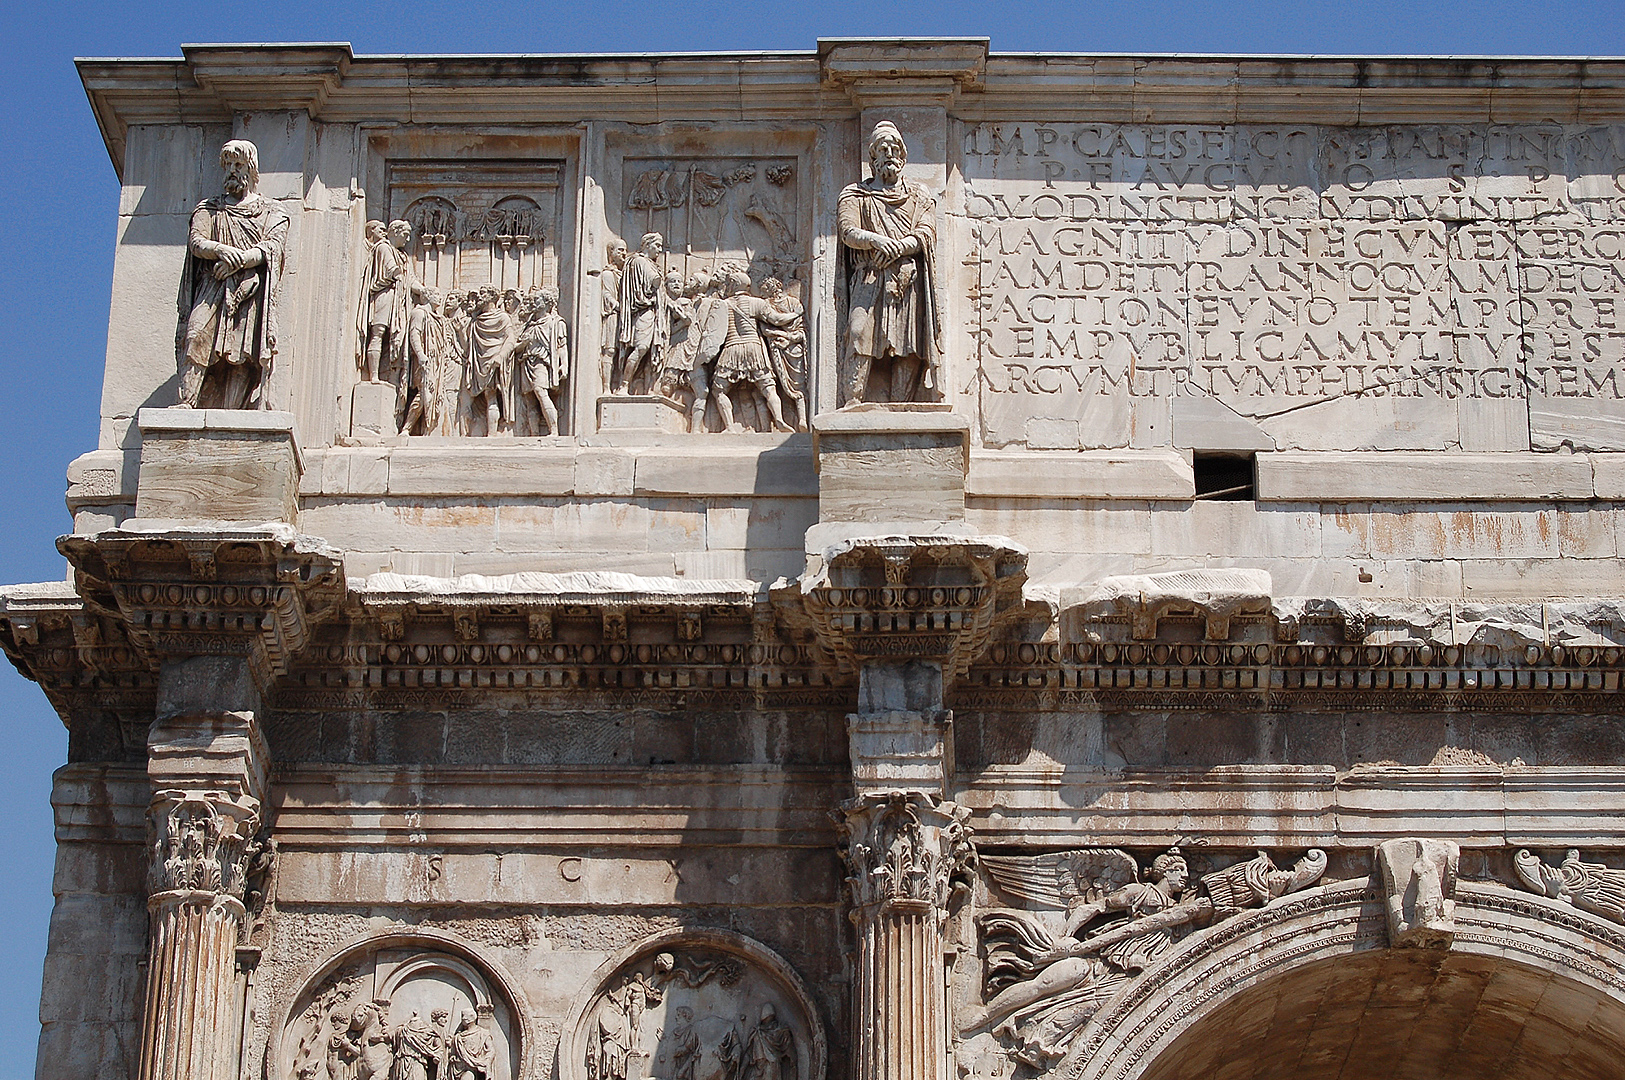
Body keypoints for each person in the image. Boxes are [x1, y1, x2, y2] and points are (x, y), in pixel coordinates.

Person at [176, 139, 289, 410]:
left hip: (248, 290)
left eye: (238, 164)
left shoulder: (272, 210)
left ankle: (231, 411)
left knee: (241, 351)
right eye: (227, 165)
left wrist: (242, 261)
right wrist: (221, 250)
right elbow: (196, 241)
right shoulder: (209, 208)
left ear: (251, 169)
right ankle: (186, 402)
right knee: (195, 334)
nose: (232, 171)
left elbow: (274, 245)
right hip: (213, 285)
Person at [837, 121, 942, 404]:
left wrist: (898, 248)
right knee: (859, 332)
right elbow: (847, 231)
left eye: (895, 148)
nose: (889, 153)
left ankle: (901, 405)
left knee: (908, 344)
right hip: (869, 275)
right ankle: (852, 401)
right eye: (883, 148)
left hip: (906, 277)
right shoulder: (854, 194)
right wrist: (876, 241)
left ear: (903, 156)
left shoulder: (919, 194)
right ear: (872, 157)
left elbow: (926, 231)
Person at [712, 271, 799, 433]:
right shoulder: (756, 303)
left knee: (719, 390)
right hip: (754, 348)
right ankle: (779, 419)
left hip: (732, 348)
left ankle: (729, 426)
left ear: (734, 284)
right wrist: (796, 314)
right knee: (768, 388)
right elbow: (777, 320)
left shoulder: (723, 304)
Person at [612, 233, 667, 394]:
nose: (660, 250)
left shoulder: (648, 263)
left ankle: (648, 388)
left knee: (651, 350)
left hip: (654, 311)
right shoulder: (640, 261)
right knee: (641, 347)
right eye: (657, 246)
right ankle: (624, 385)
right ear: (647, 245)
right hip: (644, 311)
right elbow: (650, 284)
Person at [460, 285, 516, 436]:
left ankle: (491, 434)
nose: (479, 296)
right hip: (479, 362)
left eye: (483, 293)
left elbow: (511, 338)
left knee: (491, 396)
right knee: (485, 396)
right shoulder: (477, 321)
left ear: (492, 296)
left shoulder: (502, 317)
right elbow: (468, 345)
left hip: (494, 360)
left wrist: (501, 356)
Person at [515, 286, 569, 435]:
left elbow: (561, 345)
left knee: (540, 392)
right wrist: (520, 345)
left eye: (537, 299)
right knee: (529, 399)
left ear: (546, 302)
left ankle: (554, 431)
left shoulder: (556, 323)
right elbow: (520, 345)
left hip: (542, 361)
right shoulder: (529, 325)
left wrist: (564, 364)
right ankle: (534, 434)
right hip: (527, 362)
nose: (534, 302)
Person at [447, 1009, 494, 1080]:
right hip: (457, 1068)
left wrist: (486, 1061)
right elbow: (452, 1053)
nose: (462, 1018)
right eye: (462, 1016)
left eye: (464, 1016)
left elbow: (491, 1051)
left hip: (472, 1068)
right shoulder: (458, 1037)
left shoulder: (483, 1034)